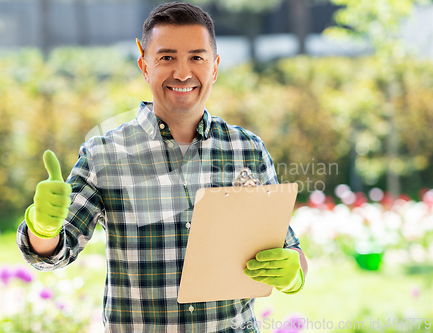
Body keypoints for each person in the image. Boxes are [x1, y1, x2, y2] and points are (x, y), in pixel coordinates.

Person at [17, 2, 308, 332]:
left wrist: (293, 273)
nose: (183, 73)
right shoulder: (105, 153)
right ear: (144, 65)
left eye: (196, 58)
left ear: (214, 66)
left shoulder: (249, 151)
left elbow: (288, 248)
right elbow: (52, 253)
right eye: (167, 57)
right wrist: (42, 227)